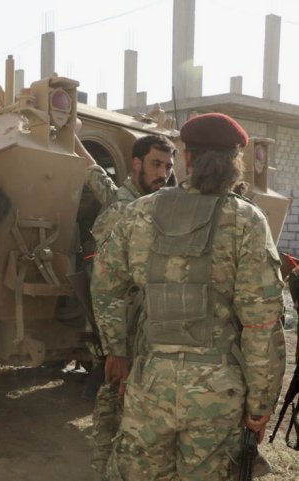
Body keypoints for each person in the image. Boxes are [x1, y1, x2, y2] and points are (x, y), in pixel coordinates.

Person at [91, 112, 286, 480]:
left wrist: (115, 349)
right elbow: (262, 322)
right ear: (235, 163)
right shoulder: (247, 221)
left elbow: (104, 285)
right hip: (218, 392)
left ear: (187, 158)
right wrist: (260, 405)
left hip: (150, 383)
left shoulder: (139, 212)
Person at [77, 134, 176, 475]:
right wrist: (114, 348)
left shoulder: (146, 202)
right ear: (136, 164)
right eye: (156, 164)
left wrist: (74, 135)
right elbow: (106, 284)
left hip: (148, 327)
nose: (164, 173)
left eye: (168, 166)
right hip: (126, 328)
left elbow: (94, 171)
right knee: (116, 409)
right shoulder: (125, 209)